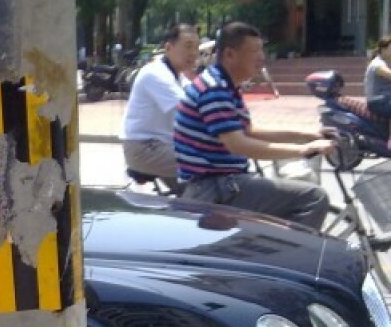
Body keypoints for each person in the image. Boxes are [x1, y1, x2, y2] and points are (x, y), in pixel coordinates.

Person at [174, 21, 333, 229]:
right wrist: (304, 150)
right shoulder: (215, 89)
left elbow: (249, 132)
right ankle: (285, 261)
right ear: (230, 55)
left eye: (262, 50)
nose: (261, 57)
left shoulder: (225, 85)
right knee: (313, 198)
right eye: (254, 51)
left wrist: (309, 135)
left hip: (224, 184)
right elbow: (238, 144)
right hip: (214, 189)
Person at [119, 23, 200, 188]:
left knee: (194, 186)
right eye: (188, 46)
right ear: (169, 47)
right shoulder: (156, 74)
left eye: (196, 48)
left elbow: (200, 97)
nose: (193, 53)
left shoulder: (177, 76)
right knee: (207, 163)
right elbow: (192, 110)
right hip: (145, 149)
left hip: (162, 146)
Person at [365, 35, 391, 119]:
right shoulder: (377, 64)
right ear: (383, 49)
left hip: (384, 100)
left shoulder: (382, 62)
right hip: (378, 102)